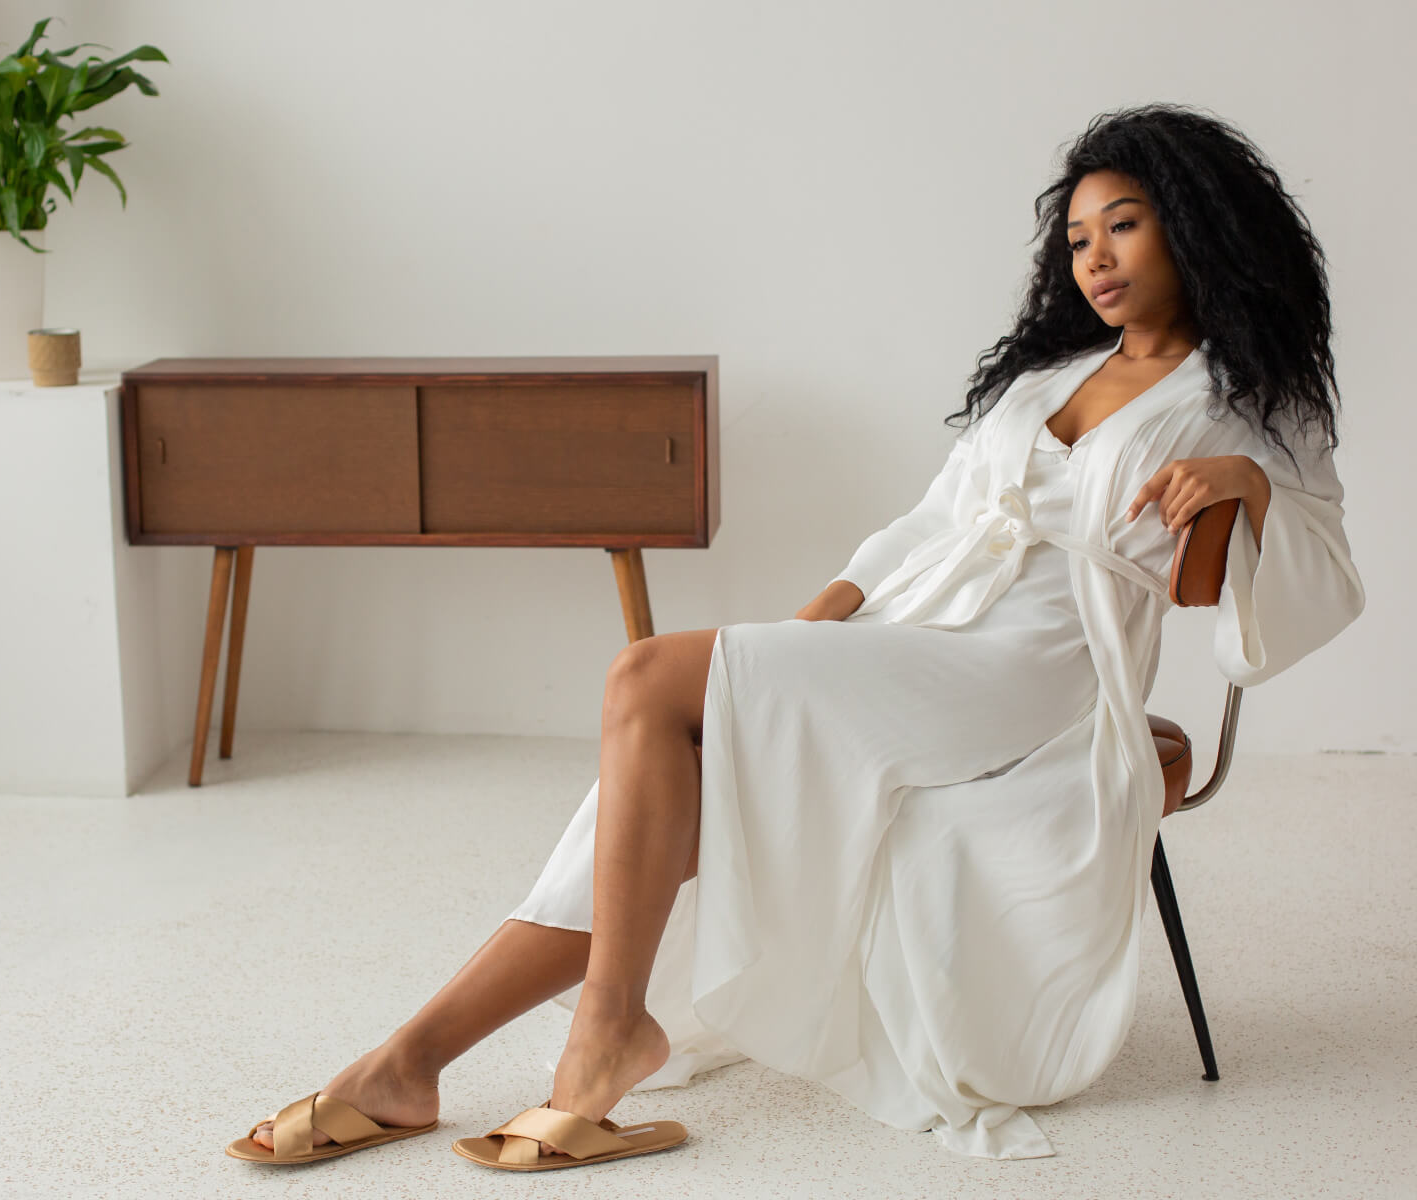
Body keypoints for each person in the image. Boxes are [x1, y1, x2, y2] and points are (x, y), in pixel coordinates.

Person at [226, 102, 1366, 1169]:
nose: (1096, 259)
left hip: (1036, 673)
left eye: (1124, 225)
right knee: (675, 736)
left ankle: (557, 1045)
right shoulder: (1052, 375)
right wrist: (807, 625)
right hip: (918, 636)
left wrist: (1246, 488)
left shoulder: (1248, 398)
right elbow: (929, 521)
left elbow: (1323, 571)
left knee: (646, 680)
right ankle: (425, 1061)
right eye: (1075, 239)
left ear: (1198, 226)